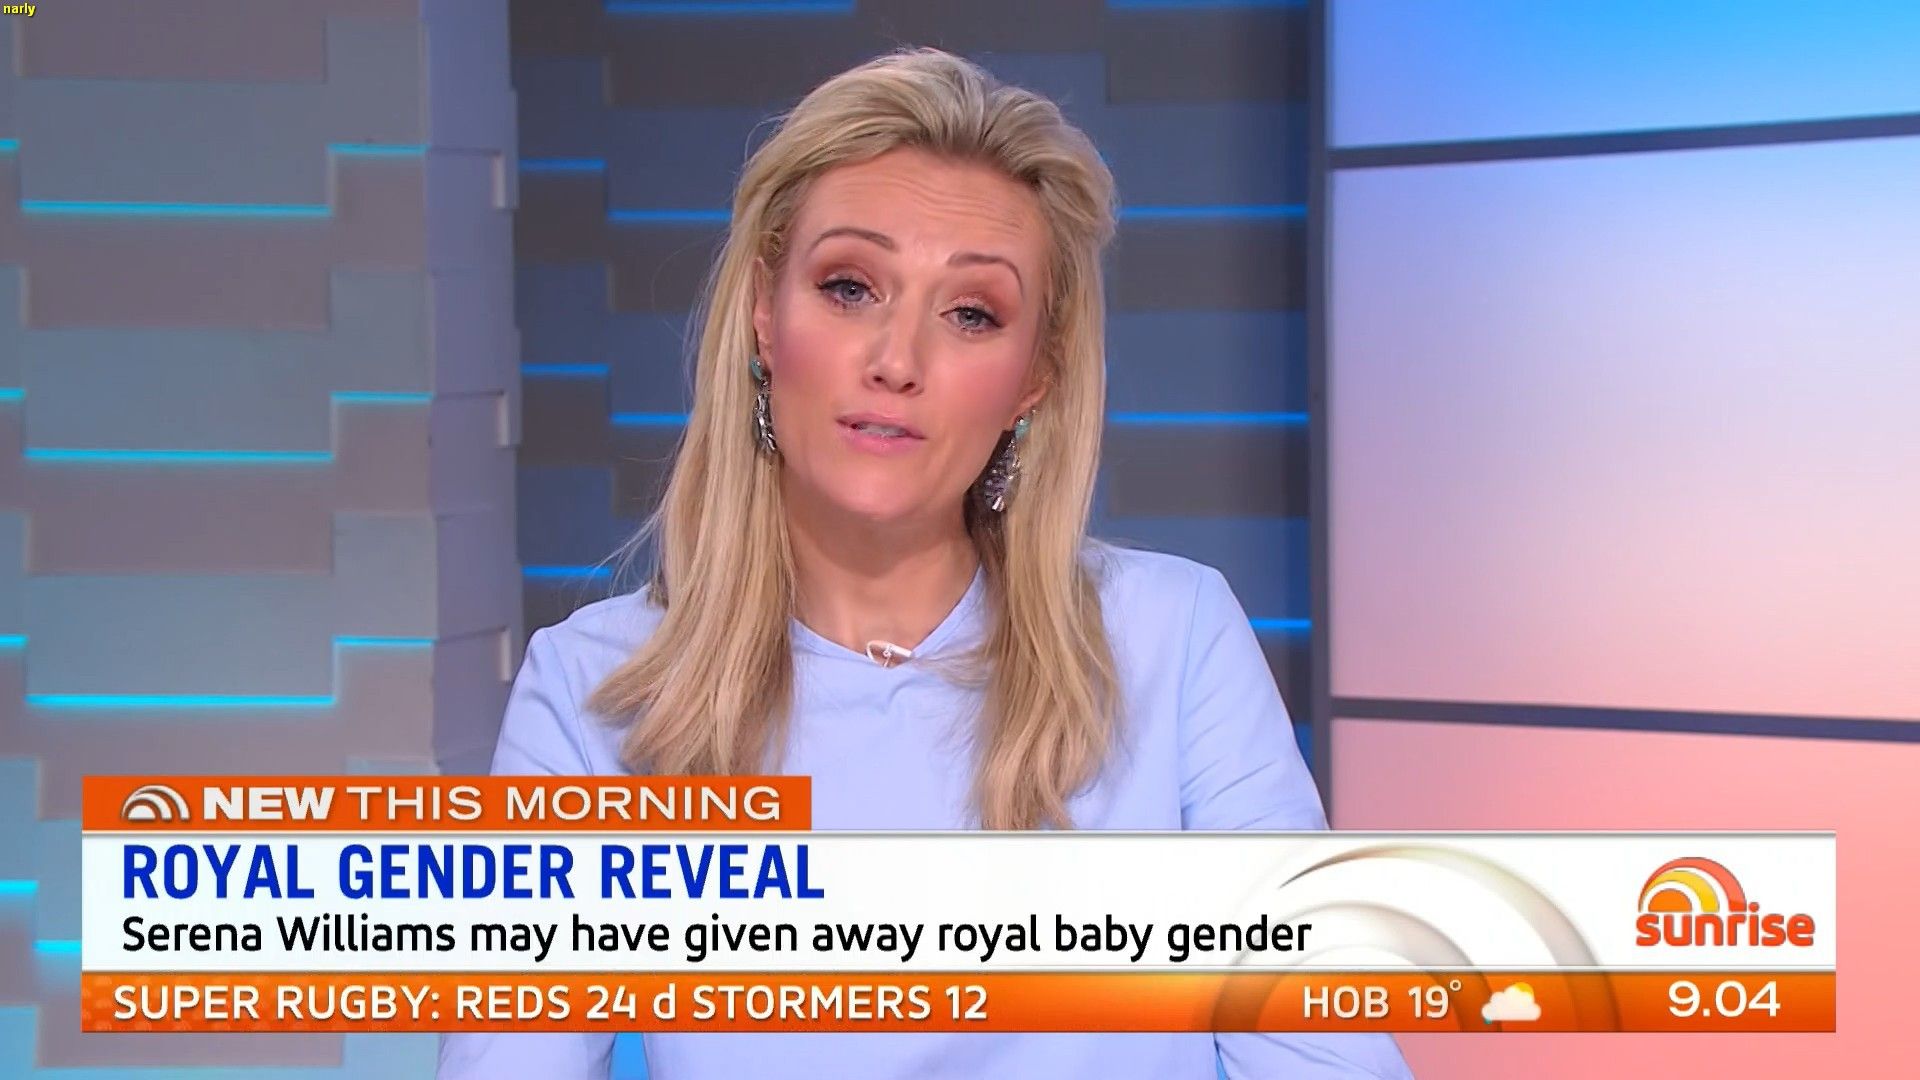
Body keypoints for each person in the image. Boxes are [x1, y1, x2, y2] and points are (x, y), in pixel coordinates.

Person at [440, 46, 1411, 1080]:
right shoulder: (595, 692)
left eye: (971, 313)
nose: (897, 360)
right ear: (766, 314)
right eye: (850, 287)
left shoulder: (1173, 640)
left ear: (1035, 377)